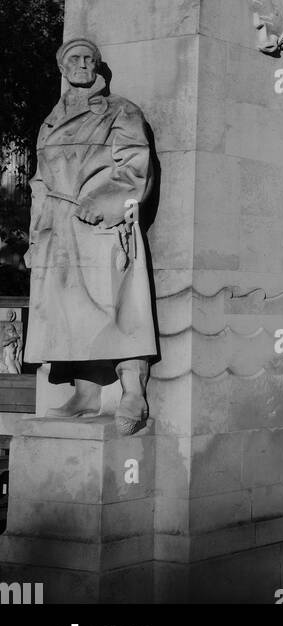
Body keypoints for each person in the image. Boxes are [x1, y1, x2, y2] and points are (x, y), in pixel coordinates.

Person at [25, 38, 157, 434]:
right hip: (58, 224)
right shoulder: (49, 122)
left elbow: (136, 164)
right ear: (63, 70)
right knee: (70, 314)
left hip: (101, 221)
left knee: (117, 307)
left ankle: (134, 392)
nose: (82, 64)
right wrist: (35, 237)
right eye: (73, 60)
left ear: (98, 67)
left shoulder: (120, 110)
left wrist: (106, 200)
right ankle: (85, 393)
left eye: (89, 59)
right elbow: (38, 183)